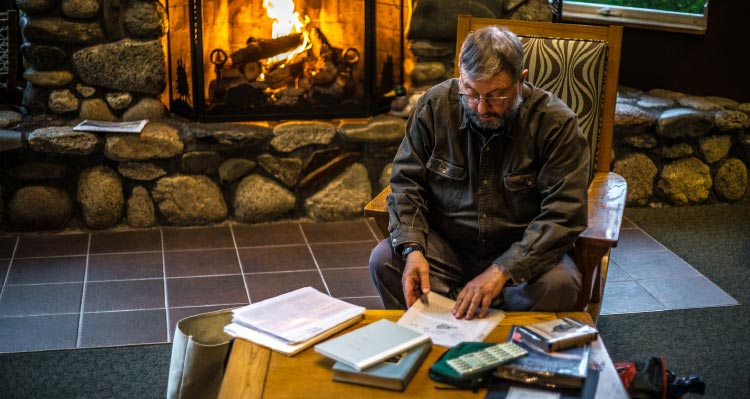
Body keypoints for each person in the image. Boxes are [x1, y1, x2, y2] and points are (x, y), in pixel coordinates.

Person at [369, 25, 590, 320]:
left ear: (521, 81)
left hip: (521, 253)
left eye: (497, 95)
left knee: (559, 284)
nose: (482, 107)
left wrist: (503, 270)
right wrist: (413, 249)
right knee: (385, 260)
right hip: (448, 249)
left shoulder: (555, 123)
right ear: (461, 77)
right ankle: (432, 345)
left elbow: (563, 213)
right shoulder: (435, 106)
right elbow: (407, 182)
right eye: (471, 93)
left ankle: (511, 357)